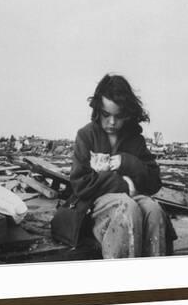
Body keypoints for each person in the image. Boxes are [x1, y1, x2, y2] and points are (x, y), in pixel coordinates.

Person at [68, 74, 176, 258]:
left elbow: (154, 181)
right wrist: (126, 185)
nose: (112, 122)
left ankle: (156, 275)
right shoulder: (86, 136)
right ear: (97, 110)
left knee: (154, 210)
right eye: (106, 114)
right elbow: (81, 184)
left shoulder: (135, 139)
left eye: (118, 116)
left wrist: (128, 162)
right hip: (96, 207)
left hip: (133, 199)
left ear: (127, 114)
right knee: (127, 208)